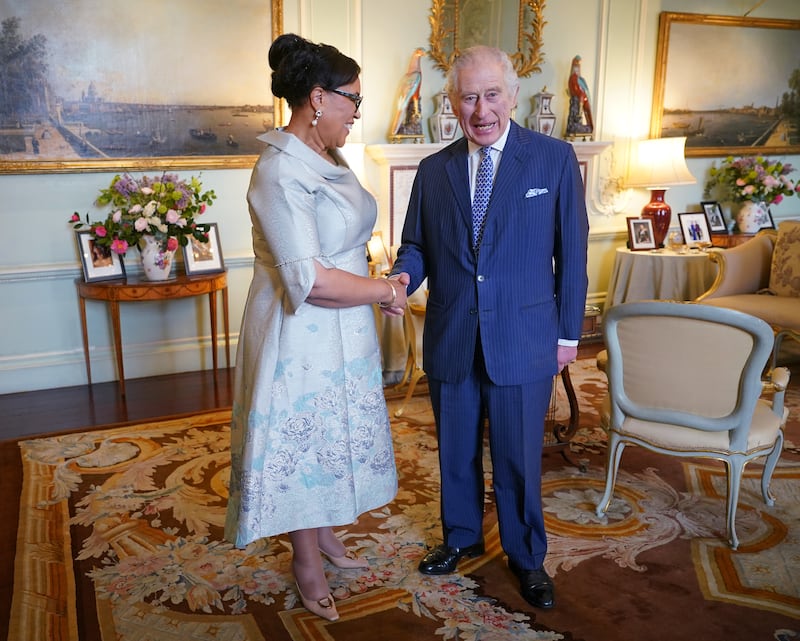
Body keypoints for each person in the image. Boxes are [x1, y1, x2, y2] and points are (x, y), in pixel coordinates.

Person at [387, 45, 588, 610]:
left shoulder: (552, 159)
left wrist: (567, 336)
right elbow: (418, 244)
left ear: (513, 95)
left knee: (519, 456)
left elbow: (572, 256)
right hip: (453, 335)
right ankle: (460, 538)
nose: (481, 110)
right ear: (452, 101)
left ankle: (527, 557)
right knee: (454, 450)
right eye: (468, 97)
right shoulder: (433, 170)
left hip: (524, 341)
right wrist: (402, 278)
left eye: (491, 95)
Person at [224, 33, 406, 623]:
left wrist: (379, 282)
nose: (359, 111)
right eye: (353, 98)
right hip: (299, 331)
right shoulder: (277, 172)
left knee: (334, 433)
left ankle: (324, 534)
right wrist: (384, 290)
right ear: (317, 98)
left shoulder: (329, 153)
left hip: (345, 327)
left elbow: (344, 237)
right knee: (303, 441)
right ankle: (306, 563)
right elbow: (310, 279)